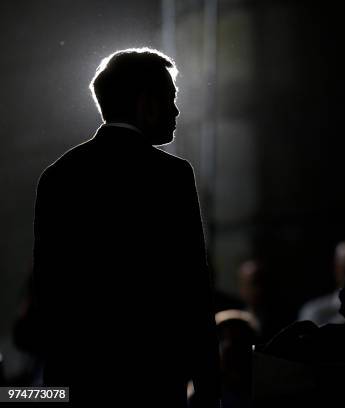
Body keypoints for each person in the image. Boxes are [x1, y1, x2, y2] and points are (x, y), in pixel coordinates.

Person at [32, 48, 219, 407]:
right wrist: (208, 391)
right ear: (147, 103)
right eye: (171, 99)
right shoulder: (171, 177)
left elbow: (47, 291)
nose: (176, 111)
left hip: (79, 379)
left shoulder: (58, 176)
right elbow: (191, 288)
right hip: (152, 381)